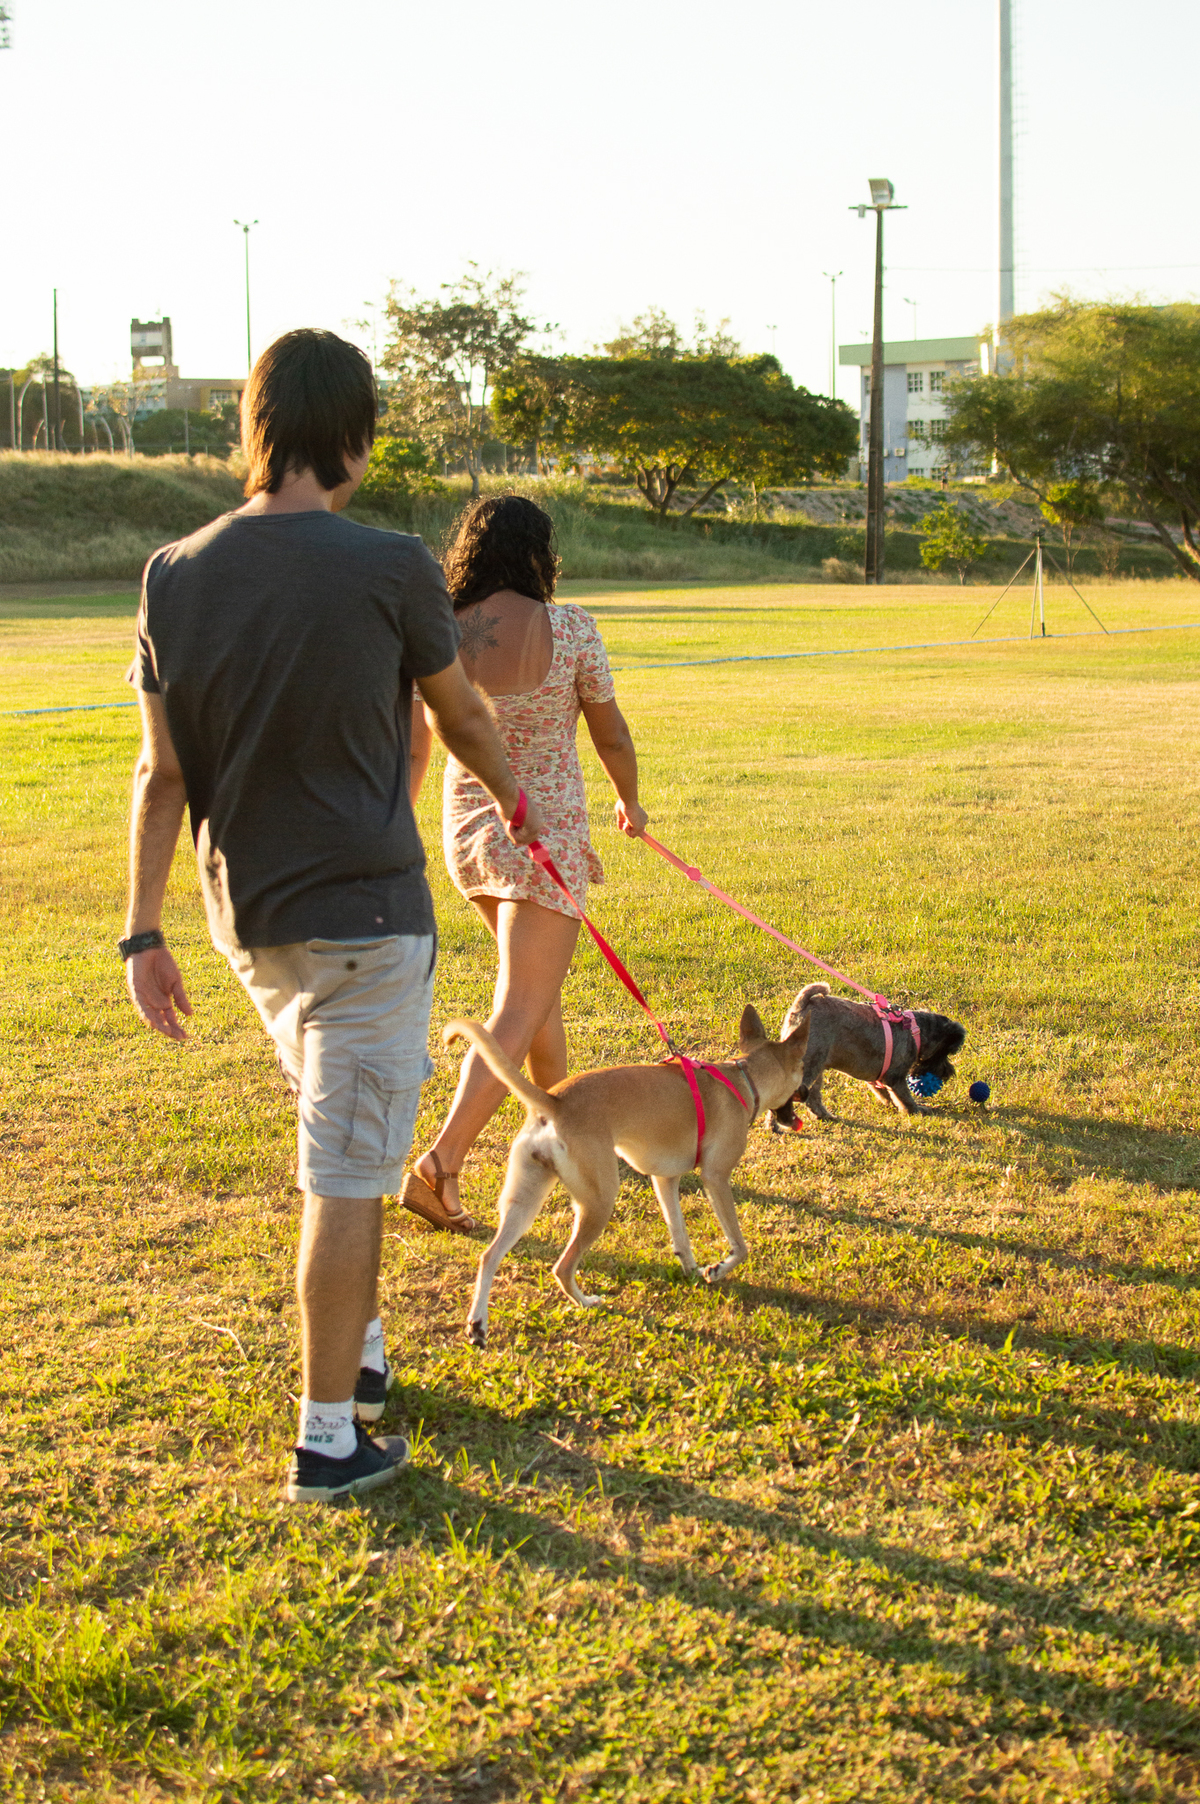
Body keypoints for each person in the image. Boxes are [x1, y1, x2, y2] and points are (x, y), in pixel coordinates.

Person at [121, 329, 545, 1504]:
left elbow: (159, 777)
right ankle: (327, 1440)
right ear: (354, 437)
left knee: (338, 1141)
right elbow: (457, 713)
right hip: (366, 919)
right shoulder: (394, 562)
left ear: (254, 429)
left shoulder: (173, 571)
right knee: (345, 1177)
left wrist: (140, 932)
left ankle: (357, 1367)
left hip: (245, 926)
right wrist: (516, 794)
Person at [401, 495, 647, 1233]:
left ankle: (566, 1135)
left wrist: (401, 823)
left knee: (536, 995)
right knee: (519, 1002)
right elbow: (611, 735)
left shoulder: (441, 627)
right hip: (544, 835)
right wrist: (630, 803)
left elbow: (417, 740)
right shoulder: (570, 628)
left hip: (469, 830)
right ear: (540, 553)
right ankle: (438, 1166)